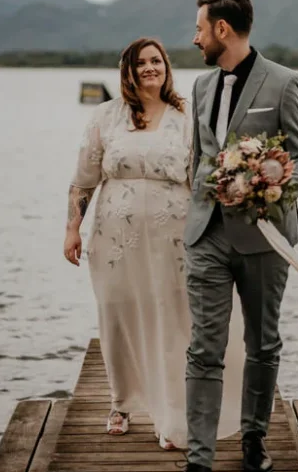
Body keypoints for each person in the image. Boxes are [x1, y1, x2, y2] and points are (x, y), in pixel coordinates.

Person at [168, 0, 298, 472]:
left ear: (223, 30)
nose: (194, 38)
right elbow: (199, 158)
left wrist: (271, 191)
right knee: (204, 347)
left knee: (262, 341)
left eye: (199, 28)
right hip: (206, 235)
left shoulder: (284, 83)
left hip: (263, 236)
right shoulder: (201, 84)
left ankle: (254, 438)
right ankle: (199, 462)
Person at [64, 37, 243, 449]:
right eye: (140, 62)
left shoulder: (186, 116)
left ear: (166, 67)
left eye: (156, 61)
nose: (149, 68)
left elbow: (202, 179)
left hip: (174, 238)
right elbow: (83, 179)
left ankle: (171, 413)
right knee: (117, 313)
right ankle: (120, 403)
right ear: (127, 70)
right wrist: (73, 228)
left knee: (172, 315)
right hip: (114, 239)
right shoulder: (105, 117)